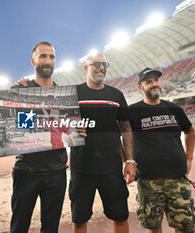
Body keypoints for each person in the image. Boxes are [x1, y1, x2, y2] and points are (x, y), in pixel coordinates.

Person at [0, 41, 85, 233]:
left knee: (50, 228)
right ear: (33, 61)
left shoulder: (65, 97)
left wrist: (78, 131)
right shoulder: (19, 91)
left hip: (56, 171)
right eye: (43, 56)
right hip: (26, 171)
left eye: (52, 56)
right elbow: (7, 129)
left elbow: (68, 130)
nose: (48, 60)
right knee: (19, 226)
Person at [69, 53, 136, 233]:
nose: (101, 67)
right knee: (79, 220)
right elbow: (57, 124)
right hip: (81, 169)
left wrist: (130, 161)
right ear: (86, 68)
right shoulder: (72, 93)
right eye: (96, 64)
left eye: (104, 64)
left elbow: (126, 129)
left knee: (120, 217)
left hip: (112, 169)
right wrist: (70, 128)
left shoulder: (116, 95)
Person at [129, 67, 195, 233]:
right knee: (153, 226)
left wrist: (189, 157)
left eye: (156, 80)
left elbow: (189, 131)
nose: (154, 84)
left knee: (185, 226)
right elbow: (122, 138)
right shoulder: (133, 111)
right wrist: (128, 161)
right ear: (140, 87)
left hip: (178, 178)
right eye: (148, 82)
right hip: (148, 180)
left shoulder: (173, 108)